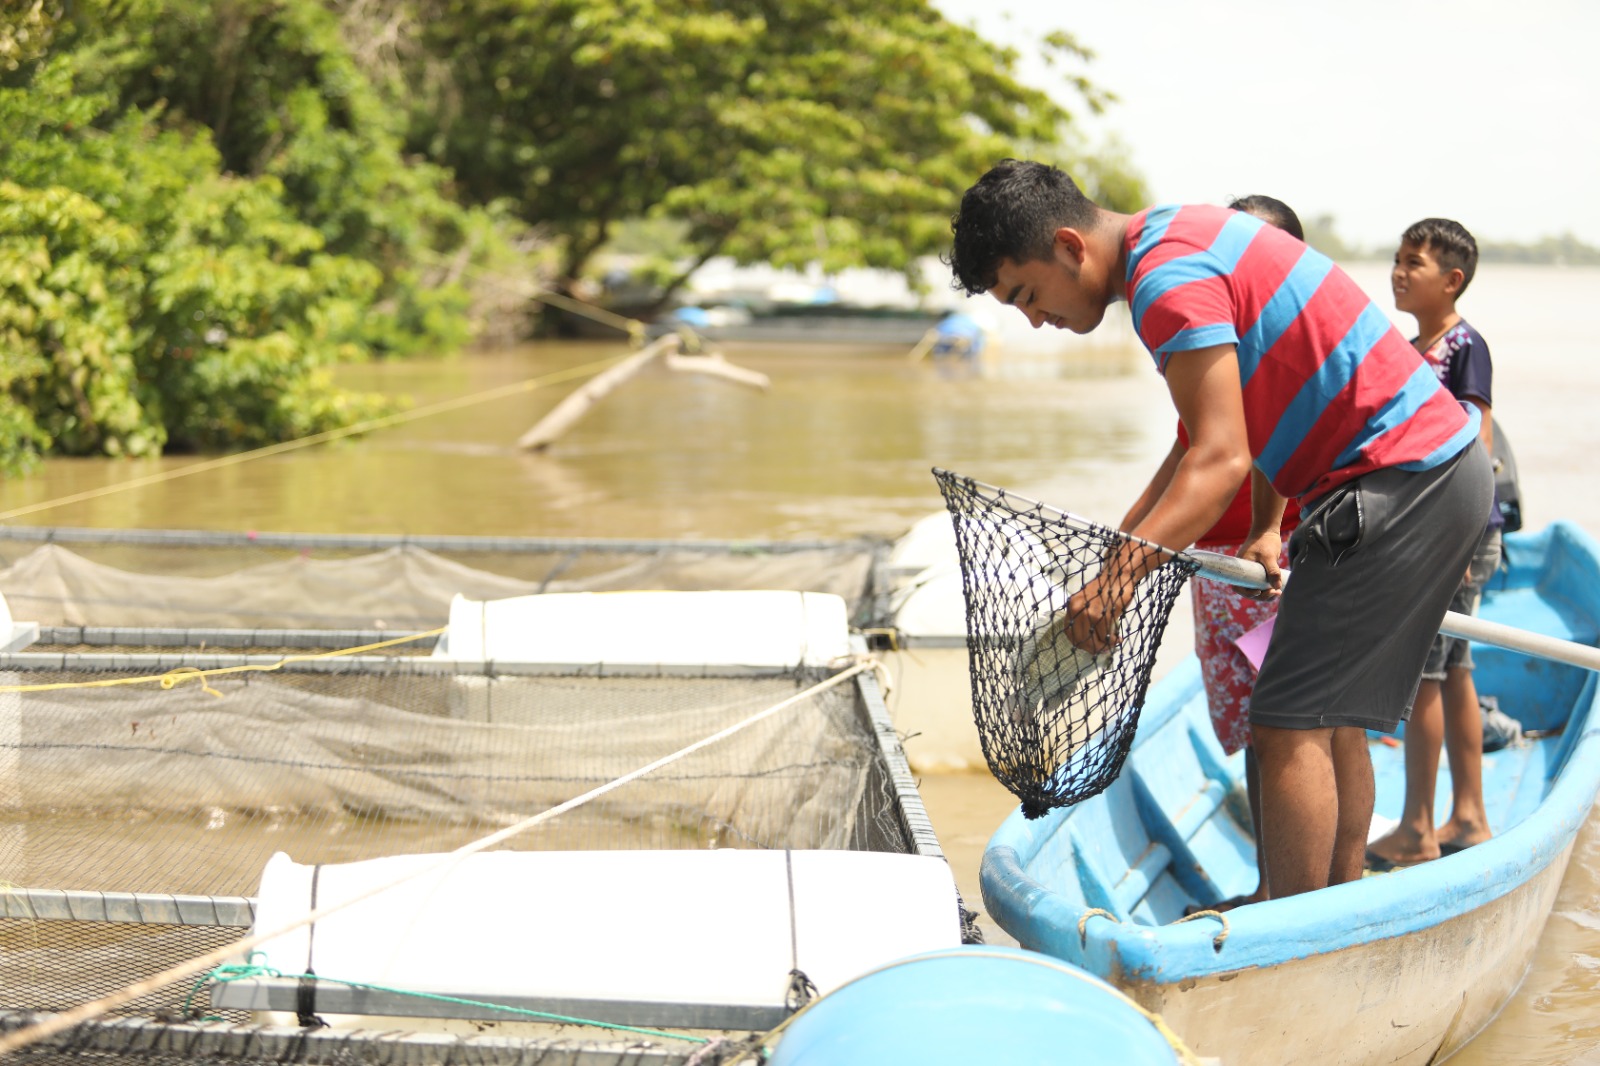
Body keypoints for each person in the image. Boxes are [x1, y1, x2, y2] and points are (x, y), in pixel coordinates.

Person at [946, 160, 1493, 899]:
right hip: (1421, 475)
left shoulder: (1165, 282)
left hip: (1402, 479)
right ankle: (1316, 909)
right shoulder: (1178, 236)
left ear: (1071, 247)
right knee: (1318, 717)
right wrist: (1143, 554)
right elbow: (1249, 429)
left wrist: (1115, 584)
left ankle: (1288, 936)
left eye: (1027, 295)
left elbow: (1220, 459)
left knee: (1286, 722)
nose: (1034, 319)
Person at [1118, 194, 1306, 908]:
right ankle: (1271, 883)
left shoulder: (1280, 350)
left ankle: (1284, 893)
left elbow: (1273, 455)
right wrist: (1125, 540)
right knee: (1256, 731)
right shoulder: (1214, 353)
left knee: (1288, 725)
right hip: (1213, 563)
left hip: (1268, 565)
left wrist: (1270, 538)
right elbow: (1183, 455)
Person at [1365, 218, 1501, 870]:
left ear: (1452, 280)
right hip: (1447, 528)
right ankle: (1468, 815)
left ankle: (1418, 828)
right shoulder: (1410, 346)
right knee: (1453, 668)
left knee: (1422, 673)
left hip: (1454, 530)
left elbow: (1477, 434)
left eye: (1413, 262)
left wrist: (1449, 527)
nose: (1398, 271)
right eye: (1396, 258)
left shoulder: (1463, 346)